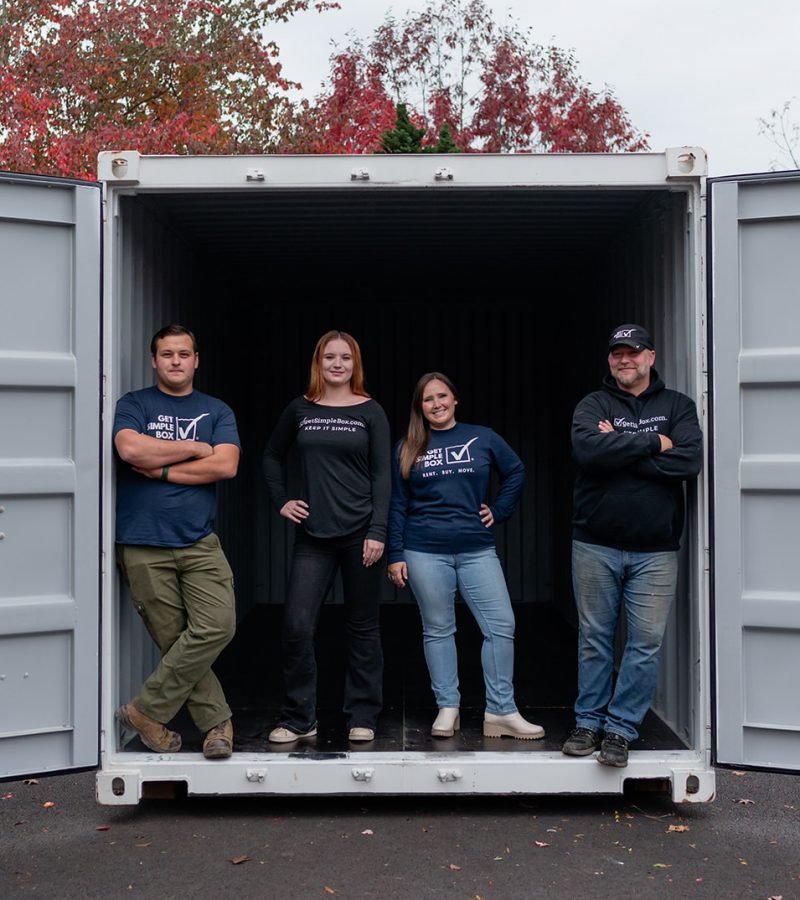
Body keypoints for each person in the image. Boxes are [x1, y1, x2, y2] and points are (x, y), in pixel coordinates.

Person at [562, 324, 702, 767]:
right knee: (594, 640)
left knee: (644, 644)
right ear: (610, 359)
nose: (625, 359)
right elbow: (589, 453)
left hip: (655, 551)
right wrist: (654, 443)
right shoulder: (593, 404)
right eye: (617, 353)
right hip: (595, 545)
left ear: (650, 357)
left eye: (633, 352)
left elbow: (689, 461)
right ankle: (588, 723)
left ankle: (620, 730)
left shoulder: (677, 406)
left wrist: (617, 448)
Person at [387, 372, 544, 741]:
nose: (437, 404)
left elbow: (516, 471)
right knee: (438, 628)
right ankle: (448, 708)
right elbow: (397, 503)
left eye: (442, 396)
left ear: (455, 399)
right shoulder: (407, 447)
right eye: (428, 399)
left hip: (476, 549)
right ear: (420, 407)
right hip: (423, 550)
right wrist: (395, 553)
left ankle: (501, 710)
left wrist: (499, 510)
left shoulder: (483, 437)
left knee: (501, 625)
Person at [113, 324, 240, 759]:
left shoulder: (216, 410)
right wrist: (195, 448)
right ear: (154, 360)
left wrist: (163, 469)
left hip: (199, 540)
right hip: (143, 543)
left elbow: (225, 465)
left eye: (184, 354)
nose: (176, 361)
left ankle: (145, 711)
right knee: (174, 640)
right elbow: (131, 451)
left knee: (217, 626)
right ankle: (217, 727)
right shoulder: (134, 404)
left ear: (196, 360)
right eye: (167, 354)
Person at [263, 330, 390, 743]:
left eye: (345, 358)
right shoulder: (300, 408)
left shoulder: (371, 411)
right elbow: (271, 455)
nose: (338, 364)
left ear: (355, 364)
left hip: (361, 534)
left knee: (363, 626)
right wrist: (282, 500)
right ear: (318, 362)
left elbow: (382, 476)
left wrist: (378, 530)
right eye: (330, 357)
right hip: (313, 536)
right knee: (297, 625)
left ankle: (363, 716)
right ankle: (300, 718)